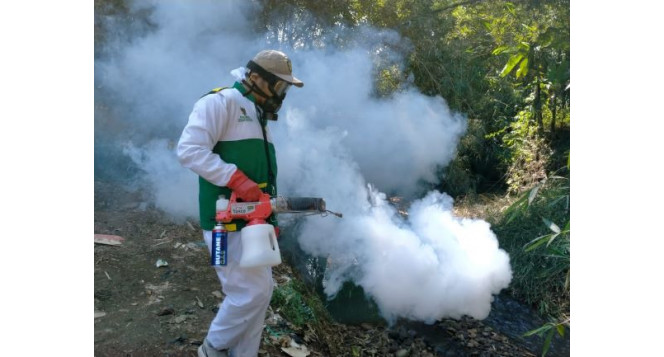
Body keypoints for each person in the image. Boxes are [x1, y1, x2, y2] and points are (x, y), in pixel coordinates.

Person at [176, 50, 304, 357]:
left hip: (255, 224)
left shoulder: (259, 116)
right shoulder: (219, 103)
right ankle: (212, 349)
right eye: (279, 86)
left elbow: (264, 179)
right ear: (256, 78)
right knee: (249, 294)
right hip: (227, 221)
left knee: (260, 294)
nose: (281, 95)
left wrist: (271, 223)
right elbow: (189, 150)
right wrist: (235, 179)